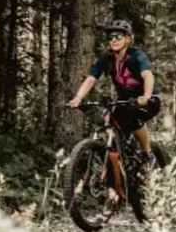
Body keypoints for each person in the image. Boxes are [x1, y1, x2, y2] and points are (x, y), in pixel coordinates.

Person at [67, 19, 163, 164]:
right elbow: (91, 79)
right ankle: (121, 160)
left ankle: (147, 154)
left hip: (148, 100)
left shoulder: (136, 55)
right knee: (111, 123)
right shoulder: (107, 58)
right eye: (110, 37)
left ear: (128, 38)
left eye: (118, 36)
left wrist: (146, 95)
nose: (113, 40)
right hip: (125, 101)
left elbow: (147, 75)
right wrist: (78, 98)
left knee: (134, 117)